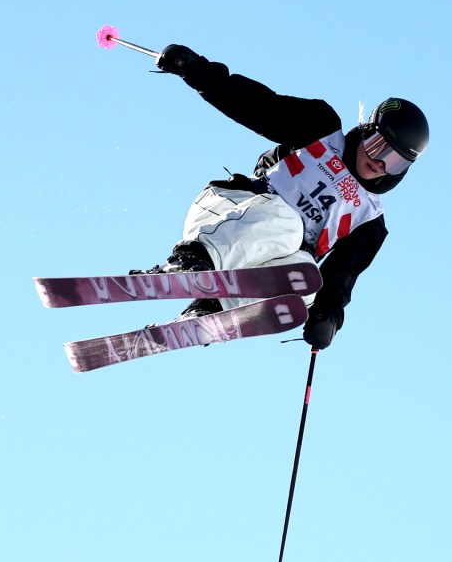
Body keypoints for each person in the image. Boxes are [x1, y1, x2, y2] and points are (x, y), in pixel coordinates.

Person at [135, 44, 429, 350]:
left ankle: (209, 311)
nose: (378, 162)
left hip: (262, 257)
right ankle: (189, 263)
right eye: (377, 146)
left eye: (393, 161)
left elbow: (340, 279)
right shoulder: (322, 130)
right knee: (289, 223)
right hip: (227, 213)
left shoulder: (369, 221)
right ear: (366, 130)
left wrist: (327, 317)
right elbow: (257, 106)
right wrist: (196, 71)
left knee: (305, 282)